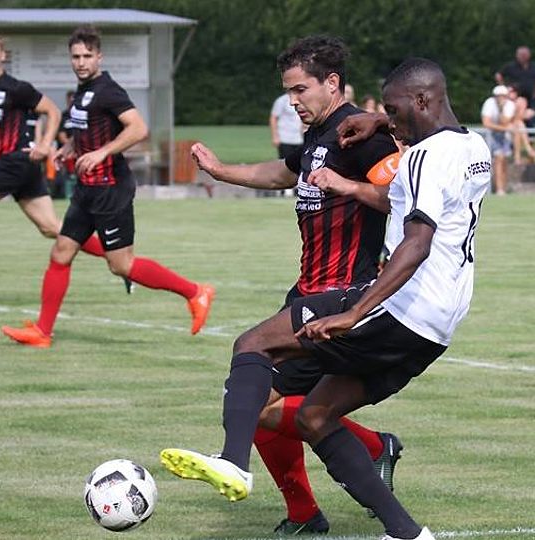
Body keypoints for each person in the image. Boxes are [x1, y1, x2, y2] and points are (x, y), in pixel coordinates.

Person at [161, 57, 490, 540]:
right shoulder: (474, 146)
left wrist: (354, 312)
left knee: (253, 345)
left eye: (393, 109)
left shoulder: (422, 157)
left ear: (421, 100)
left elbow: (417, 242)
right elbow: (403, 195)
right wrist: (378, 125)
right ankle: (407, 533)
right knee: (314, 416)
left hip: (396, 307)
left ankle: (233, 463)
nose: (389, 118)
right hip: (437, 326)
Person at [180, 35, 402, 535]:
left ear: (332, 83)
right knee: (258, 401)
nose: (293, 101)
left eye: (301, 90)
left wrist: (349, 186)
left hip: (343, 299)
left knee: (254, 383)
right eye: (288, 92)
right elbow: (284, 171)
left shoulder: (362, 136)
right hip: (306, 292)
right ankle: (366, 454)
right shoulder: (320, 135)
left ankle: (276, 486)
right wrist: (222, 171)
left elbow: (402, 195)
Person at [1, 26, 215, 348]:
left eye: (87, 56)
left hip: (110, 189)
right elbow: (91, 130)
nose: (81, 62)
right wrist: (70, 148)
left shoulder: (108, 90)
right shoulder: (84, 91)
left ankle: (196, 292)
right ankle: (42, 332)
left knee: (121, 265)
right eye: (76, 56)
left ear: (99, 57)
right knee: (61, 252)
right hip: (86, 189)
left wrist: (102, 152)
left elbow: (138, 129)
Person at [0, 28, 110, 296]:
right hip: (19, 167)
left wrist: (45, 144)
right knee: (51, 228)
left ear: (3, 55)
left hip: (16, 161)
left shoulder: (16, 88)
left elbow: (52, 111)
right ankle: (116, 258)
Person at [481, 85, 515, 195]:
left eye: (503, 96)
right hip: (492, 136)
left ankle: (503, 187)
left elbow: (505, 121)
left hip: (504, 136)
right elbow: (486, 123)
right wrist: (503, 128)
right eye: (498, 96)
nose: (501, 98)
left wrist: (501, 110)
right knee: (498, 159)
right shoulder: (489, 103)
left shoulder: (510, 105)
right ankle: (499, 189)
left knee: (504, 161)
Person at [495, 46, 535, 111]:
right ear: (517, 55)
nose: (523, 56)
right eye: (521, 55)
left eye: (525, 54)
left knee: (532, 114)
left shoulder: (534, 66)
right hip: (515, 97)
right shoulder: (511, 66)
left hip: (531, 97)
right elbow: (498, 75)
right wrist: (504, 88)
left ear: (529, 55)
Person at [508, 85, 535, 164]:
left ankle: (518, 157)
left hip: (516, 127)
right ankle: (528, 149)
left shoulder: (521, 100)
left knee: (518, 126)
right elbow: (515, 117)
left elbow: (519, 116)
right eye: (509, 92)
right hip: (506, 126)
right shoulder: (505, 103)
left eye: (512, 91)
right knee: (519, 124)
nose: (510, 94)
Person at [270, 92, 304, 159]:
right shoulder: (282, 100)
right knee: (285, 162)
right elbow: (273, 118)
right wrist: (275, 136)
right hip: (285, 139)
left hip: (299, 139)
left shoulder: (302, 99)